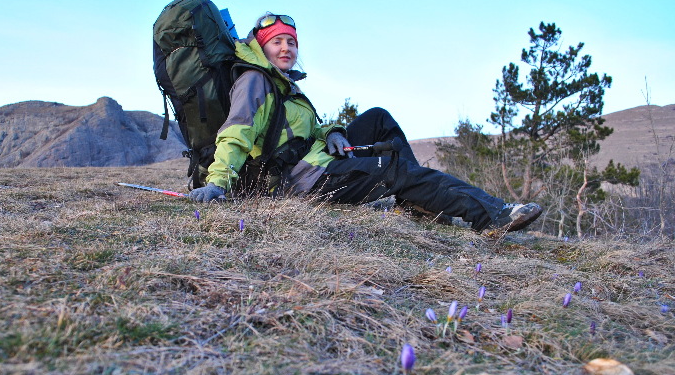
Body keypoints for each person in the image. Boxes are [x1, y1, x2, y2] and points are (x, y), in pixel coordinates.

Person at [189, 13, 542, 233]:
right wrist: (217, 183)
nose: (286, 48)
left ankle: (415, 200)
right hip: (300, 180)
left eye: (291, 42)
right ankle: (494, 217)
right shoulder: (257, 81)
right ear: (261, 47)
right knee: (394, 170)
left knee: (377, 118)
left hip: (315, 159)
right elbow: (237, 131)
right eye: (277, 42)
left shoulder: (284, 86)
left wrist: (334, 133)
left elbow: (306, 131)